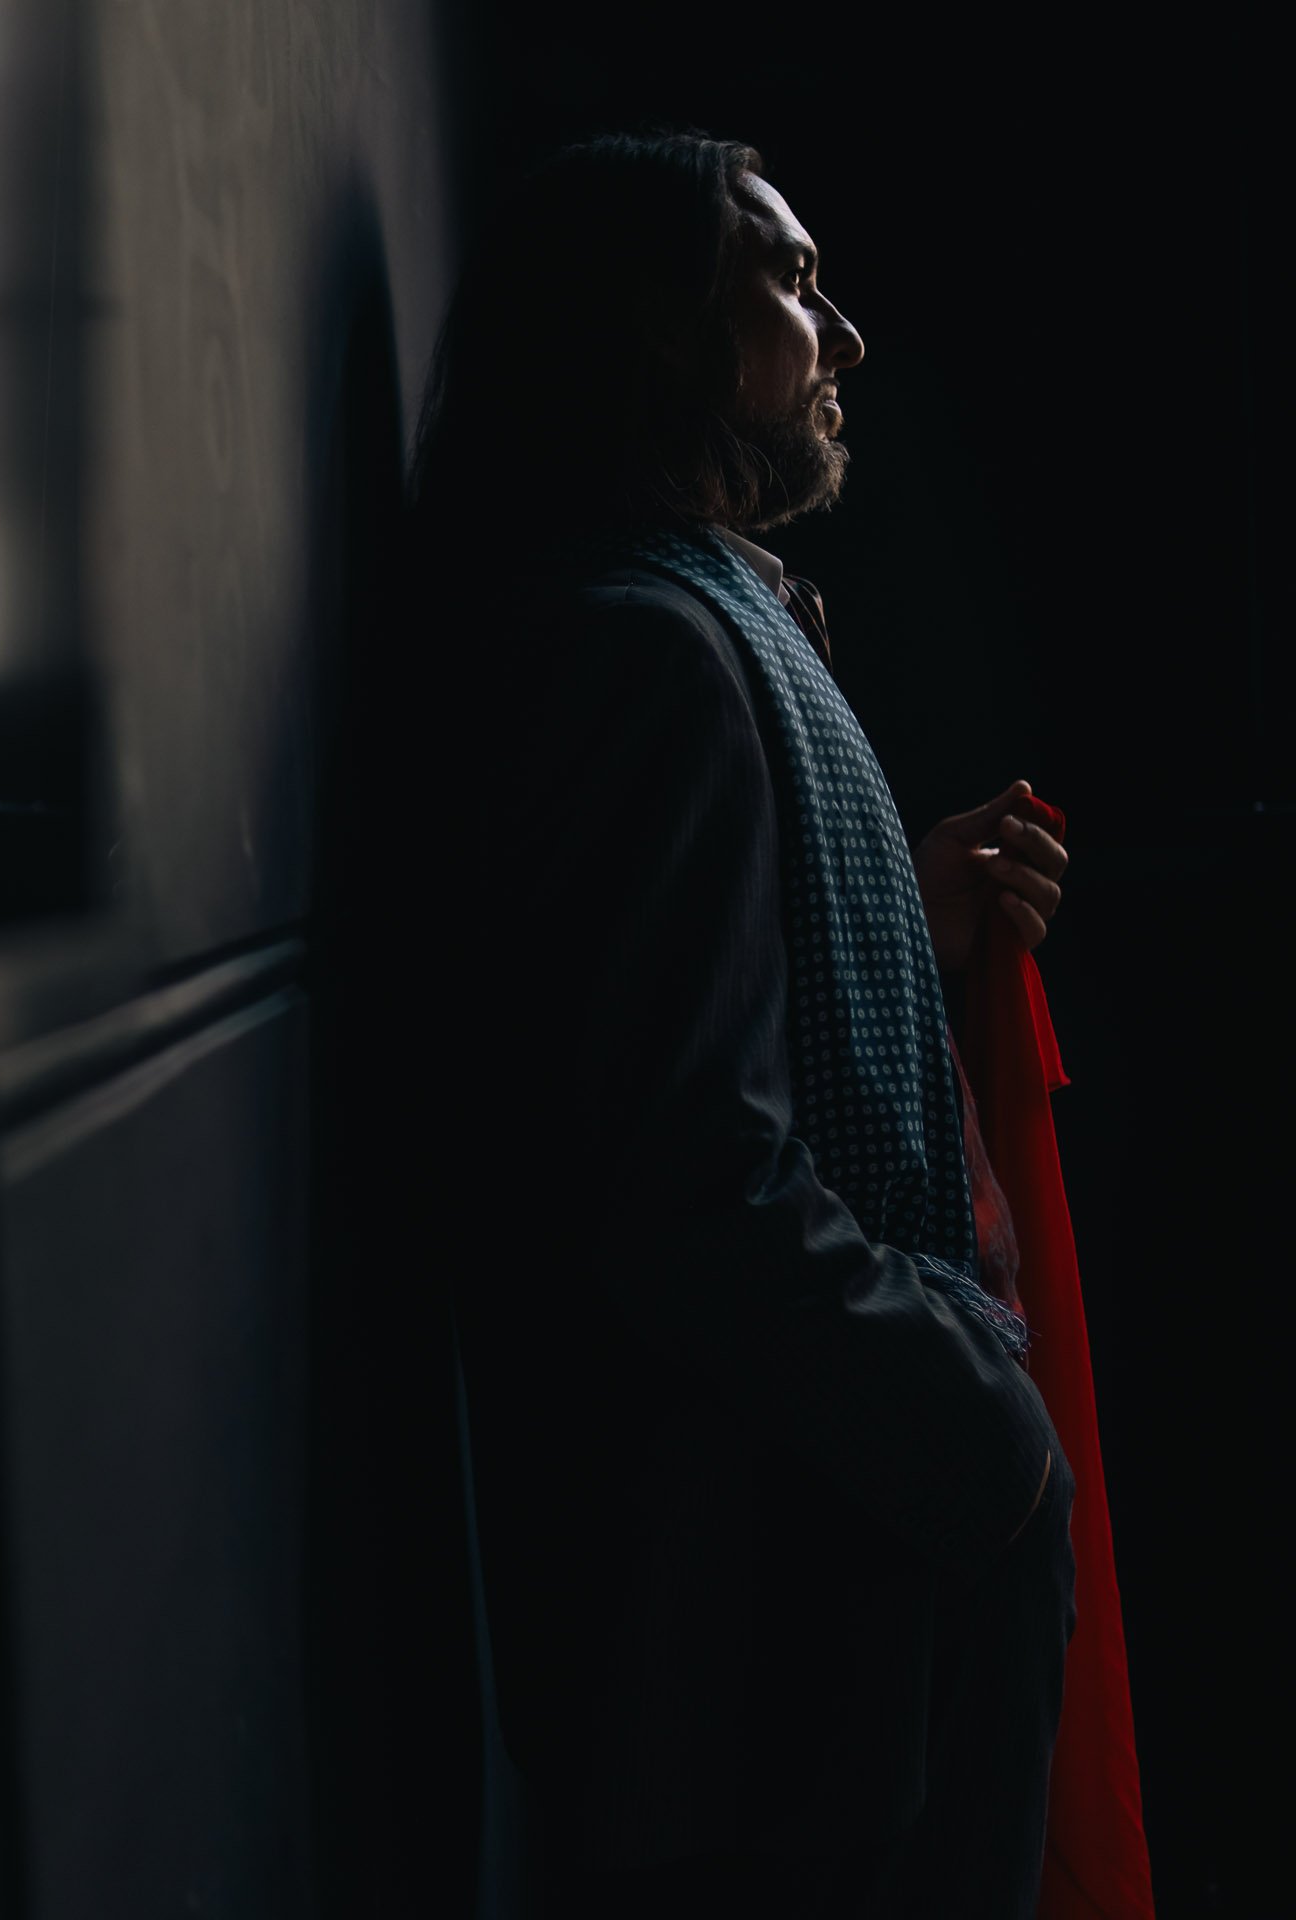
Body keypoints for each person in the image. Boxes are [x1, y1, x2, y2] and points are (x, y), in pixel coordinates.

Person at [396, 127, 1078, 1918]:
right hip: (778, 1650)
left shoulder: (702, 616)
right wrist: (981, 1440)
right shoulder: (641, 650)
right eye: (783, 280)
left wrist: (896, 922)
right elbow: (688, 1176)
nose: (834, 332)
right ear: (657, 335)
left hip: (811, 1613)